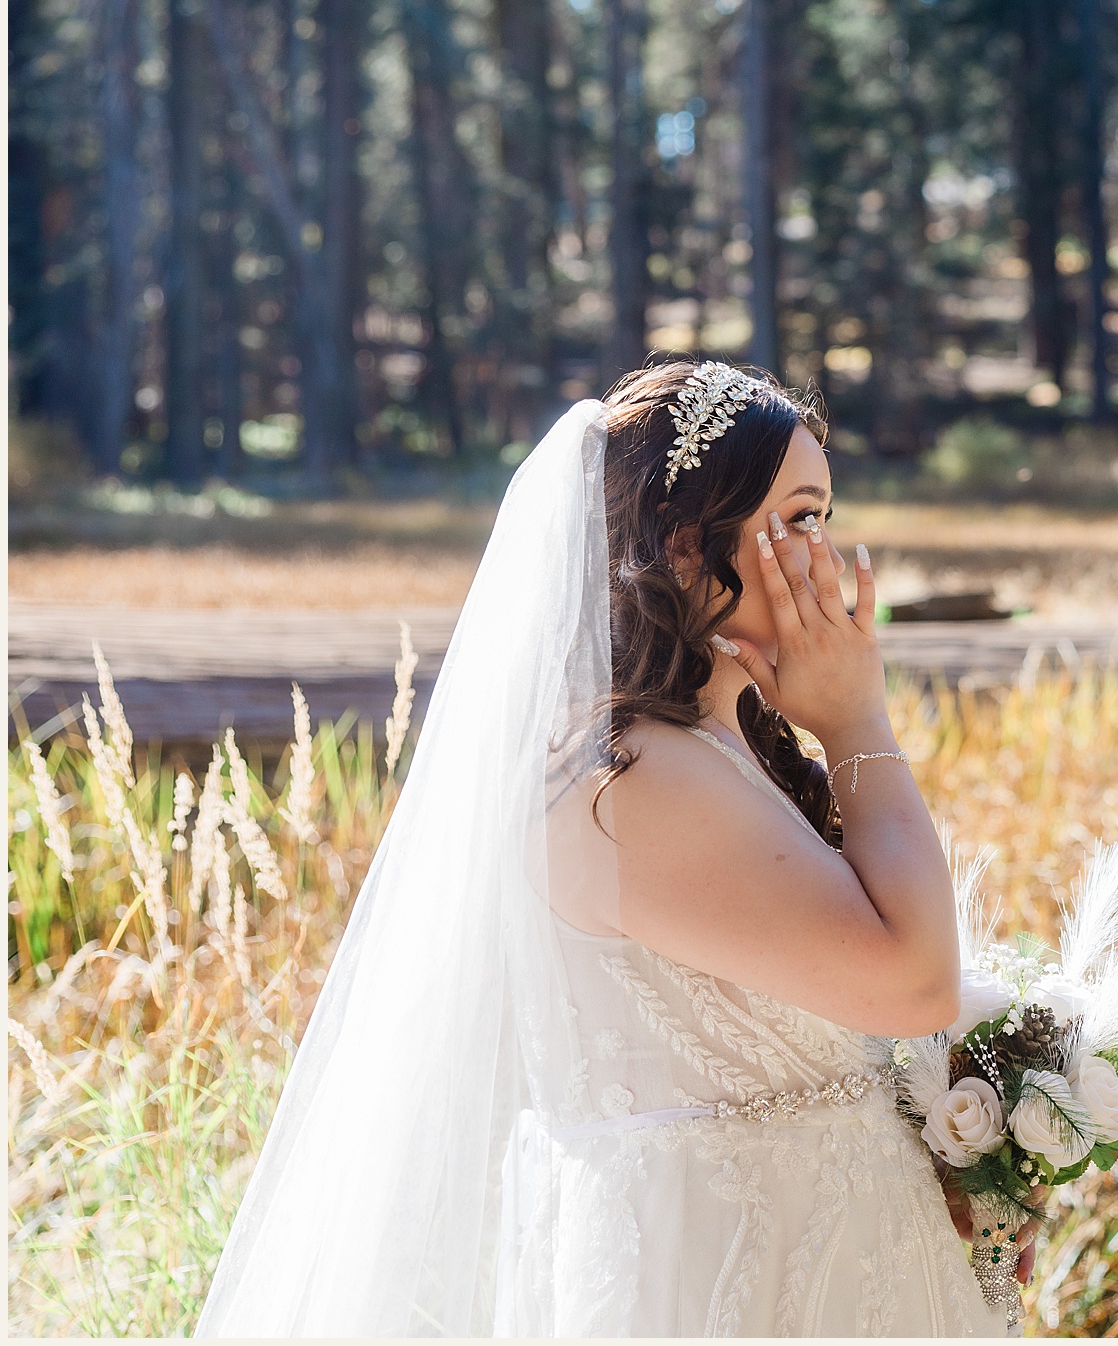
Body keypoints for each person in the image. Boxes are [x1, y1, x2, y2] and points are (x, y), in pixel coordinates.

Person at [197, 358, 1017, 1335]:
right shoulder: (625, 782)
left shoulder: (725, 750)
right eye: (798, 517)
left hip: (846, 1254)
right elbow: (913, 981)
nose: (825, 557)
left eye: (824, 516)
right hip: (722, 1278)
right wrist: (857, 720)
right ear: (682, 546)